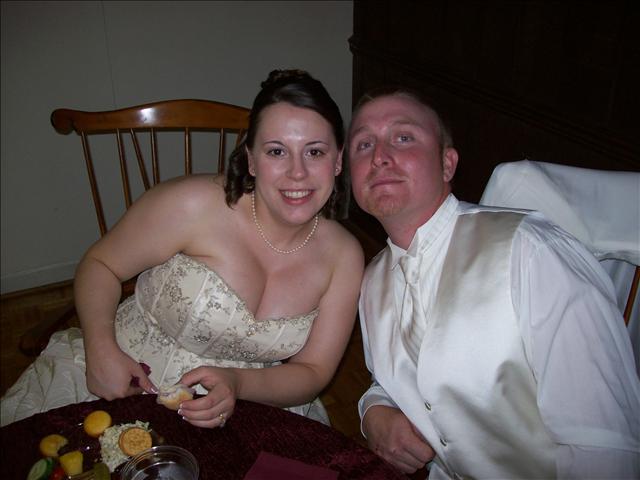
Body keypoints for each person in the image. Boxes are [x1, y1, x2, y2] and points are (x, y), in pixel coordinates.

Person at [1, 69, 364, 428]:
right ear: (251, 160)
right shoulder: (191, 205)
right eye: (277, 151)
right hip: (127, 380)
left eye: (314, 151)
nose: (297, 172)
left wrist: (238, 383)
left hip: (251, 404)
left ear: (337, 160)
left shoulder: (344, 256)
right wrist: (101, 350)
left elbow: (313, 371)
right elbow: (100, 264)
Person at [347, 87, 640, 479]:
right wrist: (374, 411)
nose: (380, 156)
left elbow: (604, 446)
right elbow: (390, 379)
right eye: (364, 144)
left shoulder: (533, 253)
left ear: (447, 164)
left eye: (403, 137)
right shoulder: (371, 281)